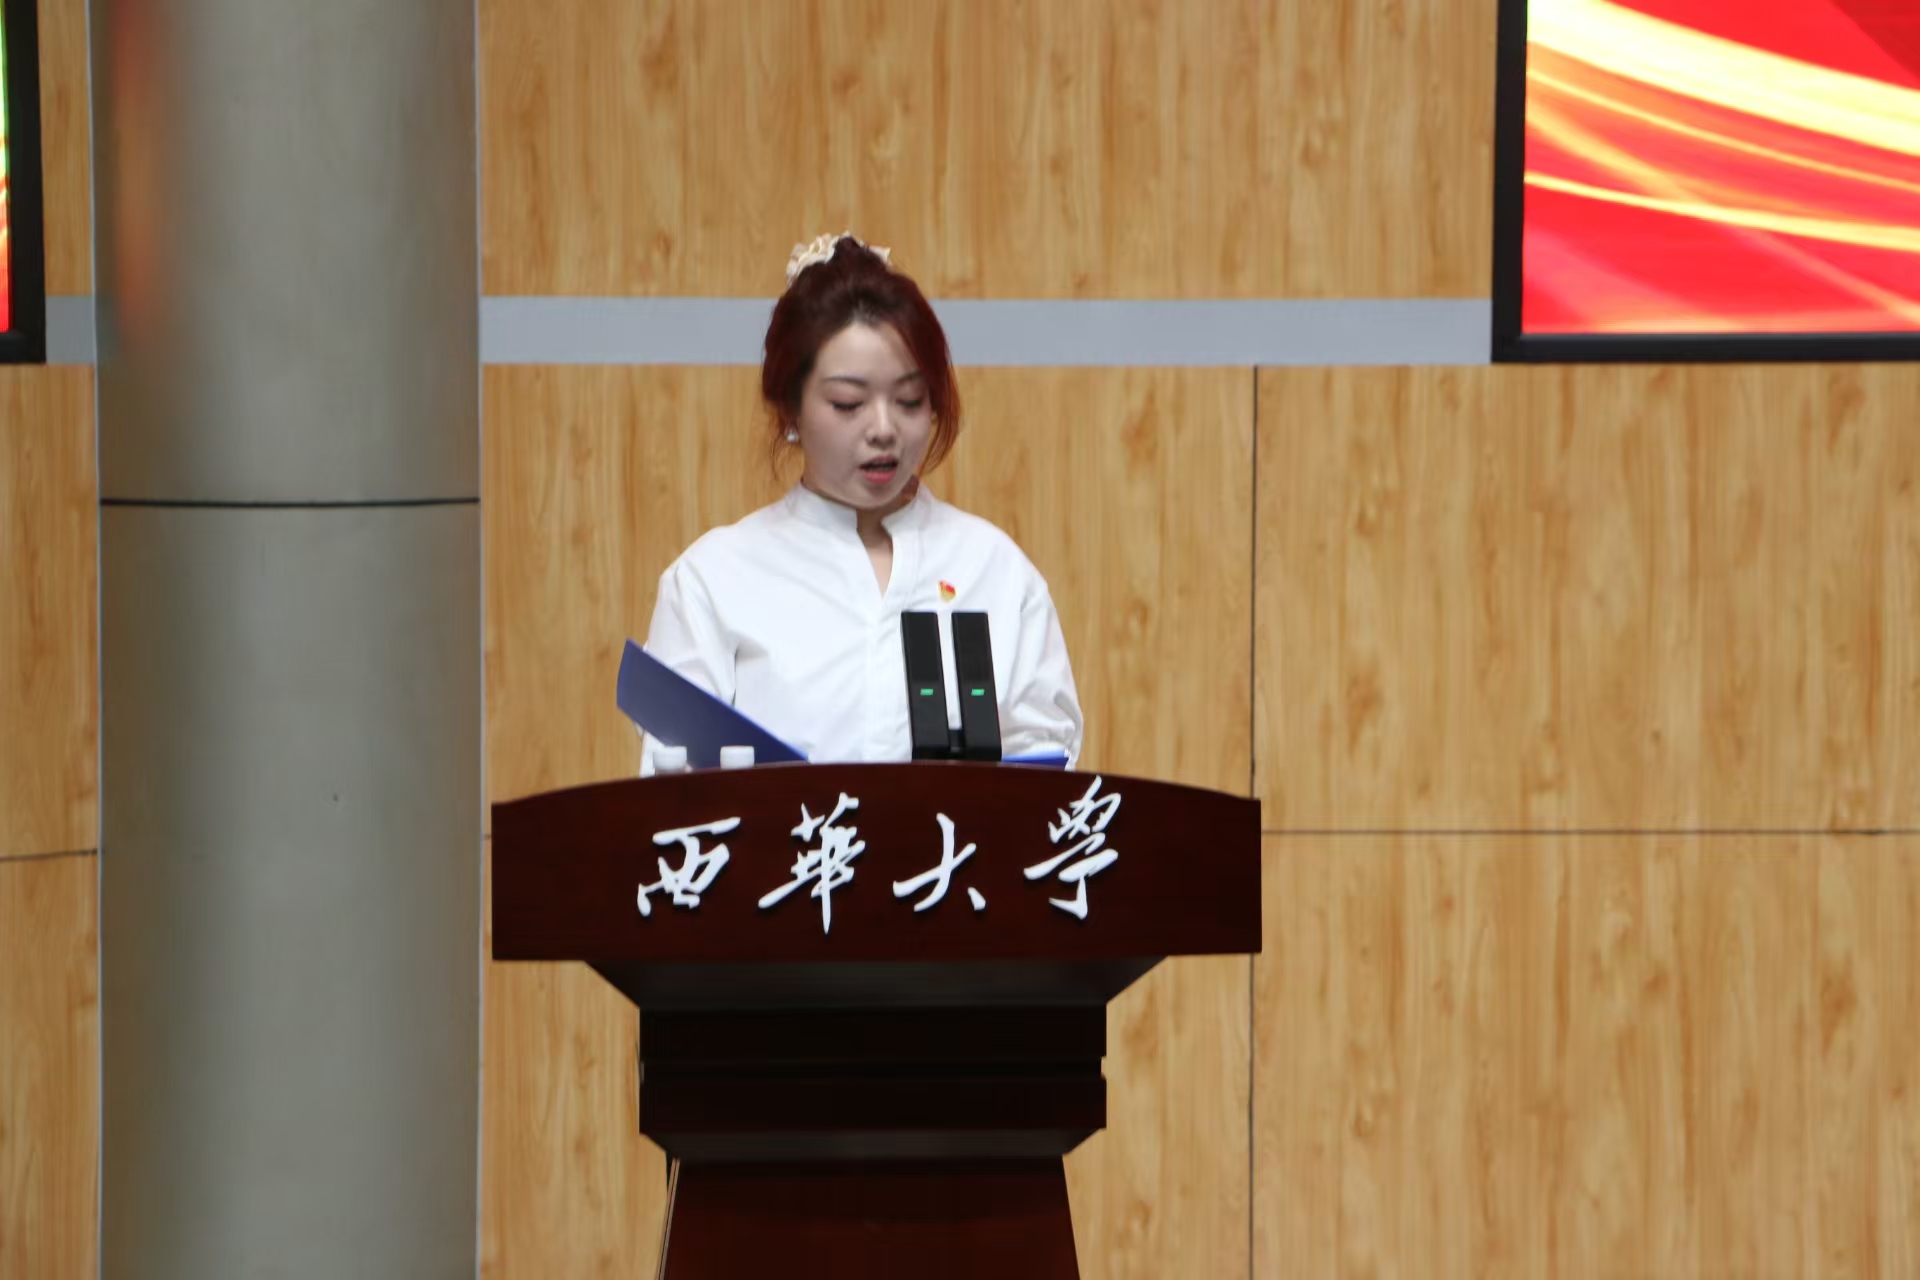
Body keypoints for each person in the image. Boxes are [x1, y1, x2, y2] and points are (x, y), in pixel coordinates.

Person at [637, 232, 1083, 772]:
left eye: (910, 400)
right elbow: (672, 791)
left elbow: (1048, 771)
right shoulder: (712, 581)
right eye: (848, 403)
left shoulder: (996, 570)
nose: (884, 429)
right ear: (790, 408)